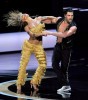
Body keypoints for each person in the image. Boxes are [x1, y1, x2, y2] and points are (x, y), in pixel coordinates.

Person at [5, 10, 55, 92]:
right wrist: (42, 33)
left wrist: (58, 19)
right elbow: (33, 35)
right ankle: (19, 83)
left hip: (39, 46)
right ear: (23, 20)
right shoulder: (26, 27)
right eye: (22, 16)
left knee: (43, 65)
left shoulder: (38, 19)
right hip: (29, 46)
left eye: (22, 13)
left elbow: (49, 18)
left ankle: (34, 81)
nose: (23, 14)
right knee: (23, 64)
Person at [42, 8, 77, 92]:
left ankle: (65, 85)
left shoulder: (73, 26)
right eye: (69, 15)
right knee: (54, 65)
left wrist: (49, 33)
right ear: (65, 15)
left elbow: (64, 35)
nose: (70, 17)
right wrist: (40, 20)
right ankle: (66, 85)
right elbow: (50, 20)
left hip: (66, 49)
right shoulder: (59, 20)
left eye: (72, 15)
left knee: (64, 69)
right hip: (58, 46)